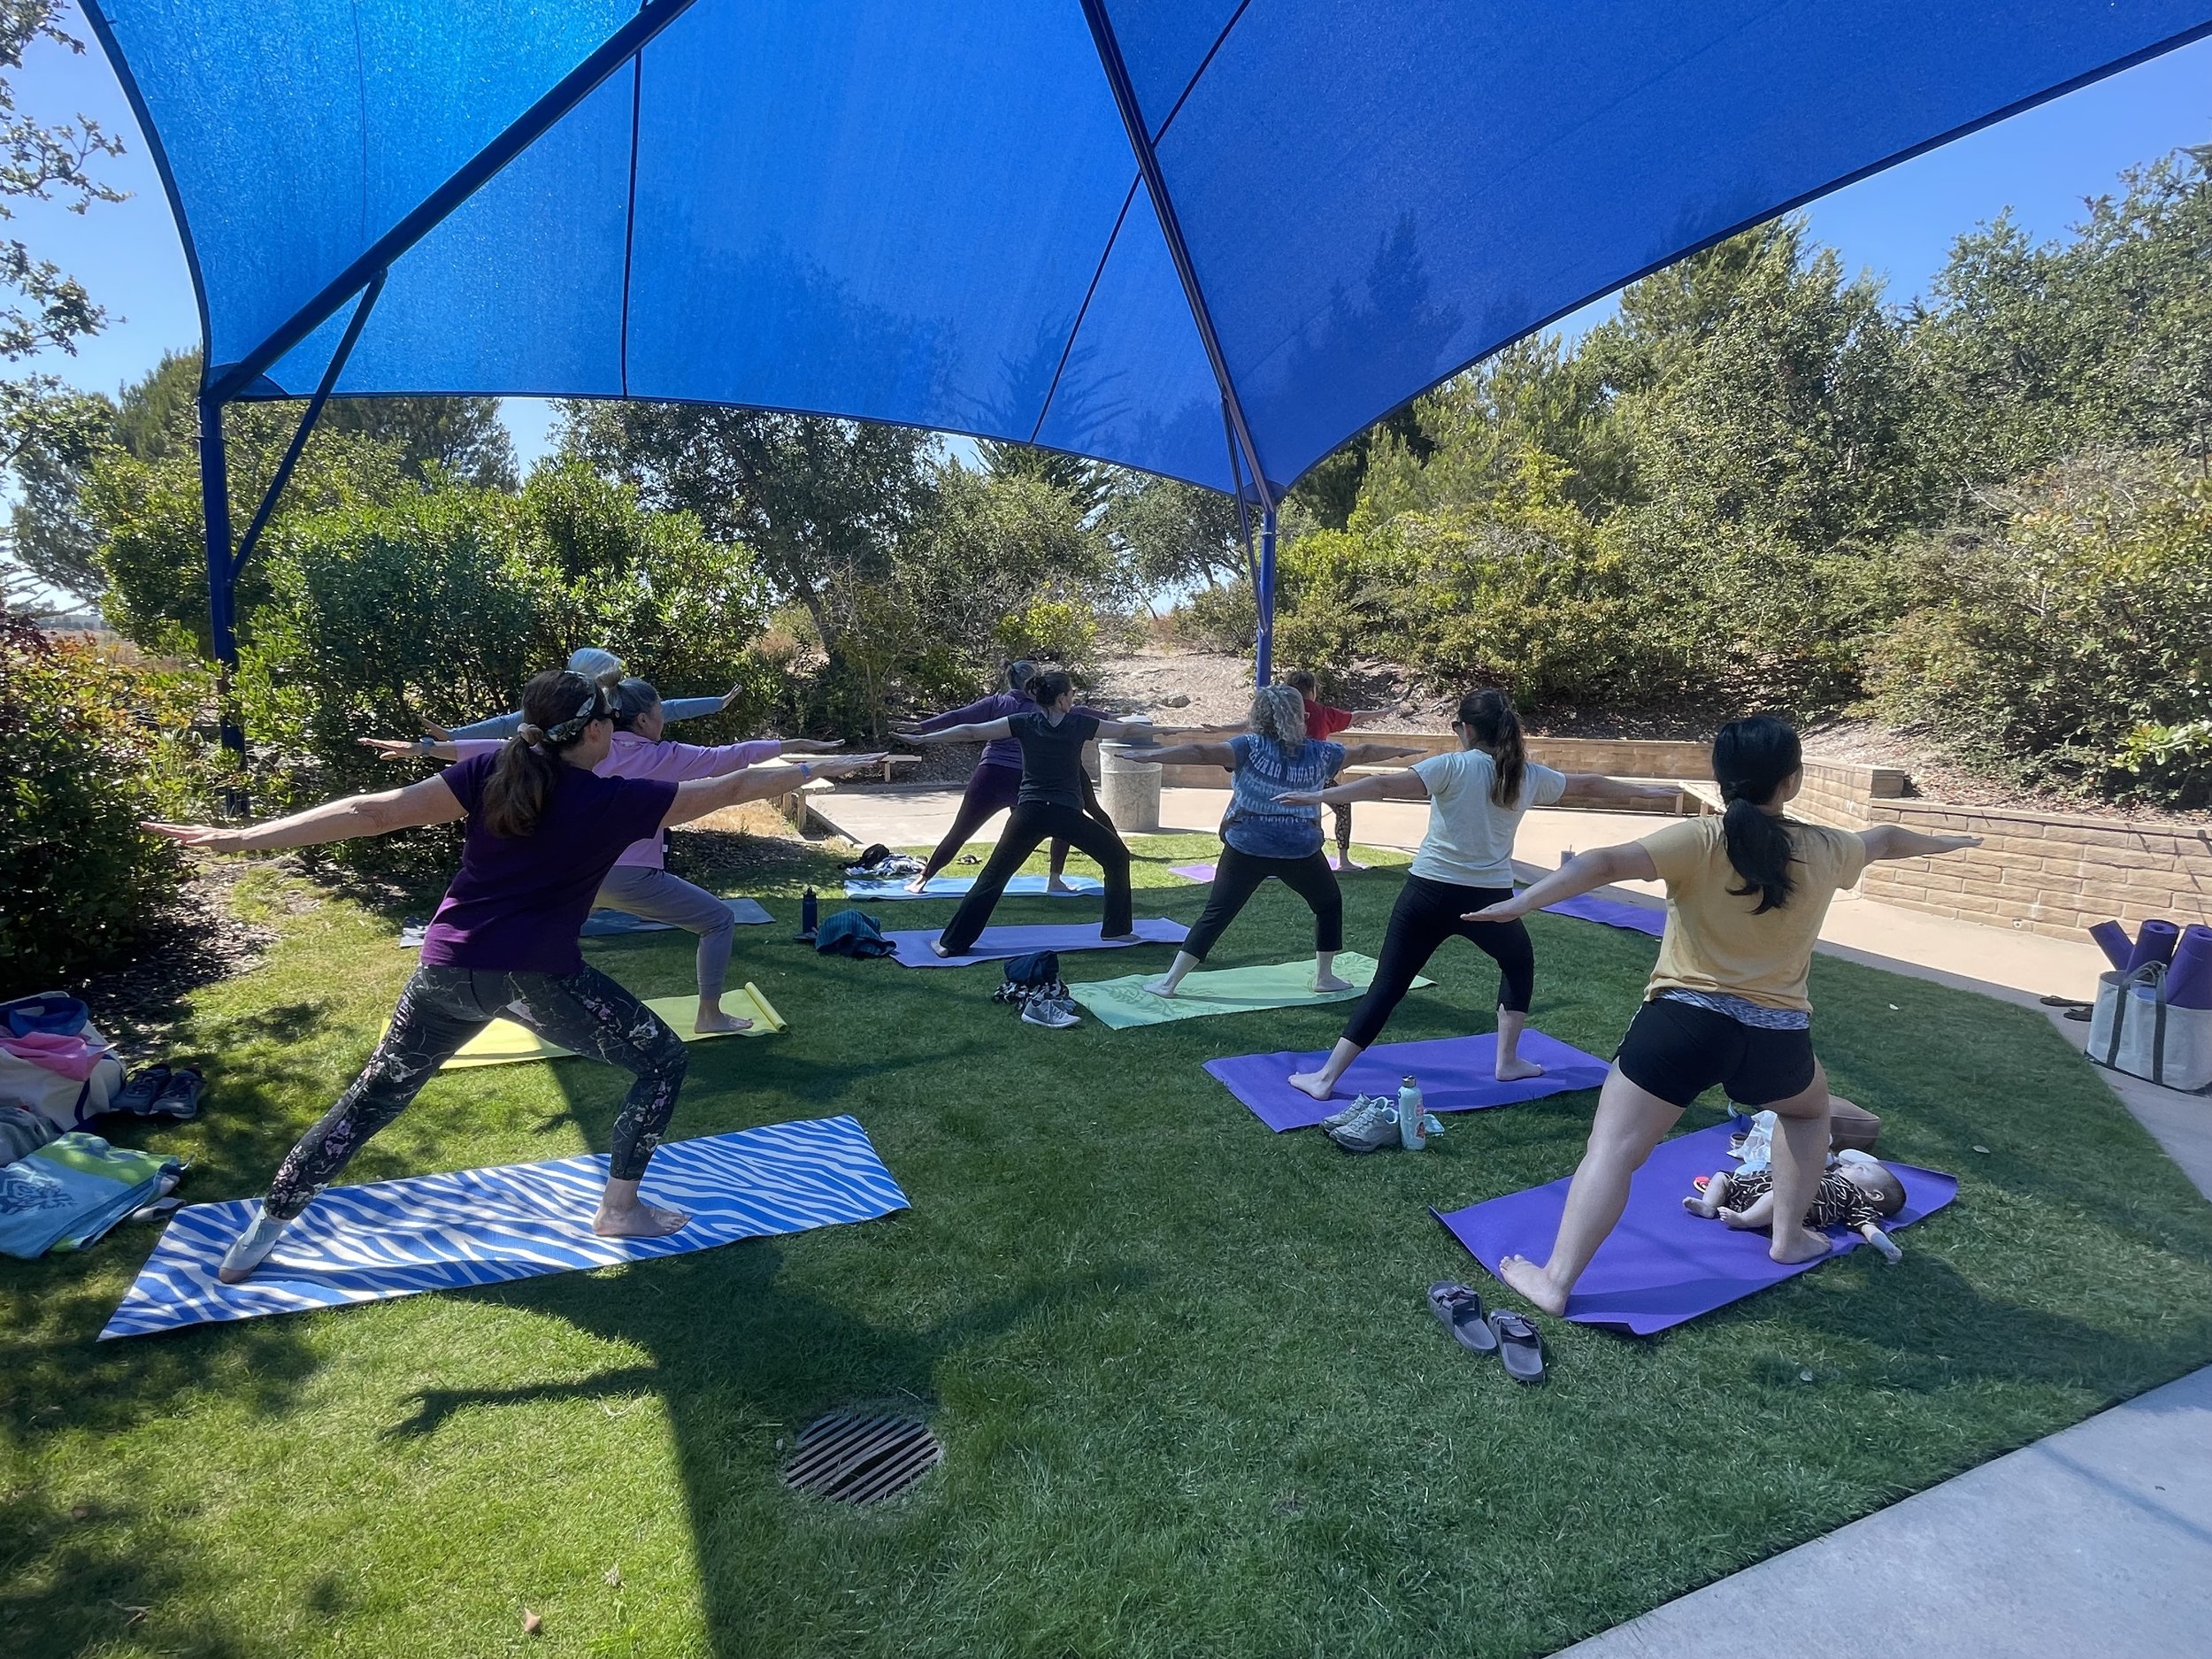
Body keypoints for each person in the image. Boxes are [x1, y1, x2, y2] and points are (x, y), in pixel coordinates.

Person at [144, 668, 885, 1283]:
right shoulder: (614, 798)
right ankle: (620, 1208)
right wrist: (819, 767)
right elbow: (729, 786)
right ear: (595, 731)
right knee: (660, 1059)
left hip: (445, 969)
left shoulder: (491, 770)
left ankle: (264, 1230)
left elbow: (371, 812)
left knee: (371, 1099)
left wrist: (241, 836)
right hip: (535, 976)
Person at [1459, 715, 1978, 1316]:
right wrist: (1944, 844)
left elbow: (1600, 863)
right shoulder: (1828, 848)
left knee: (1614, 1147)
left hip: (1682, 1026)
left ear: (1720, 778)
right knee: (1807, 1114)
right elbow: (1886, 837)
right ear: (1793, 781)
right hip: (1775, 1039)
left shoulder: (1701, 839)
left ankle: (1556, 1280)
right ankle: (1788, 1237)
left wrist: (1521, 901)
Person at [366, 677, 846, 1033]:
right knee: (717, 920)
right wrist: (796, 748)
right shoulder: (668, 755)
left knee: (544, 931)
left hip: (573, 875)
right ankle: (709, 1015)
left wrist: (427, 749)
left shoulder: (574, 745)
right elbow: (735, 758)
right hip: (631, 878)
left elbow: (498, 747)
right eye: (661, 711)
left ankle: (512, 1003)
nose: (664, 719)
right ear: (643, 719)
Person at [1279, 688, 1672, 1095]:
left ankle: (1326, 1078)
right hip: (1488, 901)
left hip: (1427, 896)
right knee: (1518, 964)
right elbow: (1587, 785)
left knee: (1389, 985)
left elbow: (1381, 785)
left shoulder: (1452, 765)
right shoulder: (1525, 774)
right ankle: (1507, 1061)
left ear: (1465, 729)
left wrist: (1319, 796)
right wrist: (1644, 792)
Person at [1133, 685, 1417, 997]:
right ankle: (1324, 977)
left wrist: (1151, 755)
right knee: (1328, 904)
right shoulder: (1321, 752)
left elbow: (1200, 752)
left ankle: (1169, 982)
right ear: (1302, 716)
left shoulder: (1247, 746)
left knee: (1217, 913)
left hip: (1247, 846)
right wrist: (1402, 750)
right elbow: (1364, 751)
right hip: (1300, 849)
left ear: (1257, 715)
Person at [902, 669, 1159, 956]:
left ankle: (950, 943)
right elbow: (1126, 730)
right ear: (1062, 698)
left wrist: (925, 739)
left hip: (1029, 814)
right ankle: (1117, 931)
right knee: (1116, 857)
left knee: (993, 877)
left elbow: (972, 731)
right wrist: (1175, 731)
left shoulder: (1023, 722)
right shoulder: (1080, 724)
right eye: (1071, 694)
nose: (1073, 698)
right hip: (1066, 814)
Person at [892, 660, 1121, 894]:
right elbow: (1089, 716)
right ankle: (1054, 879)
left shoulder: (997, 703)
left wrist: (921, 729)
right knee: (1064, 819)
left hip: (990, 777)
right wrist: (1123, 719)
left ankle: (922, 879)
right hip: (1026, 782)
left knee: (960, 831)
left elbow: (958, 718)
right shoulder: (1046, 708)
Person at [434, 648, 747, 741]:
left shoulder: (616, 698)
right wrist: (451, 737)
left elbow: (669, 708)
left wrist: (717, 704)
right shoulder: (560, 706)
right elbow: (507, 724)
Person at [1685, 1152, 1908, 1263]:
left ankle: (1743, 1220)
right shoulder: (1828, 1172)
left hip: (1786, 1200)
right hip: (1751, 1188)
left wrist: (1887, 1247)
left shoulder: (1855, 1198)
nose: (1846, 1167)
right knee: (1722, 1177)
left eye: (1858, 1169)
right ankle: (1708, 1205)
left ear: (1874, 1194)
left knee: (1780, 1198)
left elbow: (1870, 1228)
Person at [1283, 669, 1389, 871]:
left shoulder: (1280, 712)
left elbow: (1251, 725)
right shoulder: (1321, 713)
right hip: (1316, 776)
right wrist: (1380, 713)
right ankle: (1343, 860)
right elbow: (1355, 717)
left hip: (1283, 775)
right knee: (1342, 807)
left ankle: (1276, 858)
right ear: (1313, 690)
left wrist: (1223, 729)